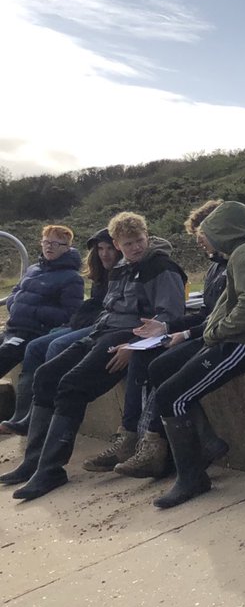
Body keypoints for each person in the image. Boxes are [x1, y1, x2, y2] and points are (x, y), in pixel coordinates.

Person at [1, 212, 186, 500]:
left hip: (126, 339)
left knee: (72, 385)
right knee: (45, 375)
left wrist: (133, 347)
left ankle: (50, 469)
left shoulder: (162, 268)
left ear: (147, 236)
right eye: (128, 243)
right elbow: (109, 309)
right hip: (102, 332)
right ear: (117, 243)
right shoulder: (122, 267)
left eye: (140, 240)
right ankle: (32, 462)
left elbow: (171, 316)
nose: (136, 247)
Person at [145, 200, 245, 508]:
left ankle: (192, 477)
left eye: (208, 232)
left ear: (225, 230)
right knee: (162, 368)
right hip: (237, 339)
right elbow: (229, 305)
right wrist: (201, 333)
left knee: (172, 395)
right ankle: (207, 443)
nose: (205, 240)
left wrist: (216, 333)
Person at [82, 200, 229, 475]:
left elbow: (226, 316)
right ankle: (142, 439)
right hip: (200, 330)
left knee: (157, 366)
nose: (199, 243)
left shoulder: (233, 262)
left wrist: (178, 331)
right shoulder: (215, 265)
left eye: (201, 236)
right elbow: (208, 313)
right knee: (151, 362)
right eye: (128, 243)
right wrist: (169, 330)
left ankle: (152, 445)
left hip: (225, 337)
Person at [0, 226, 87, 431]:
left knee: (3, 355)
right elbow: (16, 291)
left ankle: (19, 418)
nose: (49, 247)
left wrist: (34, 312)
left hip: (34, 332)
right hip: (13, 327)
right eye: (46, 242)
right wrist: (14, 304)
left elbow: (70, 313)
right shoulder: (34, 269)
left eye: (56, 243)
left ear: (67, 247)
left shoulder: (72, 278)